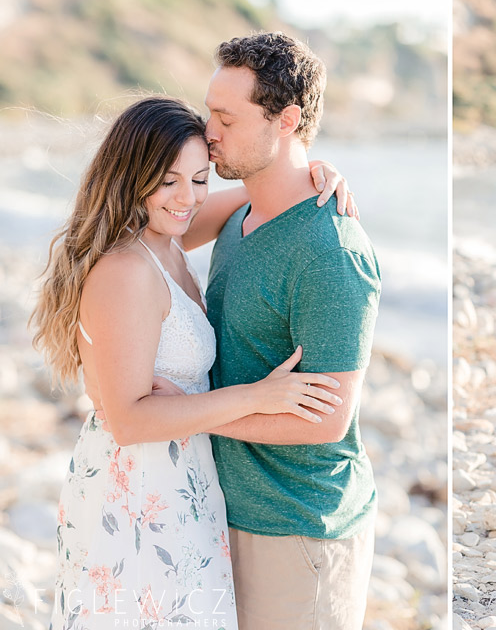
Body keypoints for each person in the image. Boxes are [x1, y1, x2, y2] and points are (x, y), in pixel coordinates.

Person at [31, 96, 350, 628]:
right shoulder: (128, 269)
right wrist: (255, 397)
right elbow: (130, 420)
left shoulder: (167, 238)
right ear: (131, 176)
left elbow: (258, 199)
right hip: (136, 489)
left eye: (200, 178)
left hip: (180, 479)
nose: (187, 198)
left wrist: (318, 172)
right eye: (168, 180)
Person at [198, 32, 381, 630]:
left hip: (299, 530)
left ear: (287, 120)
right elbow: (135, 222)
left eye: (225, 117)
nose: (208, 133)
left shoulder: (331, 252)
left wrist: (184, 413)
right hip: (228, 513)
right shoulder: (241, 217)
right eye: (209, 113)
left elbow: (328, 419)